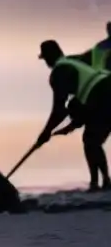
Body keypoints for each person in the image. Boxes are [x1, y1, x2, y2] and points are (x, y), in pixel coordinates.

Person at [35, 39, 111, 192]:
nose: (46, 63)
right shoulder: (73, 63)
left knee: (91, 141)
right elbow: (80, 108)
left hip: (103, 94)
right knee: (92, 140)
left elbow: (59, 110)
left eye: (45, 59)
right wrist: (70, 126)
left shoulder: (58, 73)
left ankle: (100, 184)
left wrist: (45, 132)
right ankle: (101, 182)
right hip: (103, 92)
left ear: (49, 57)